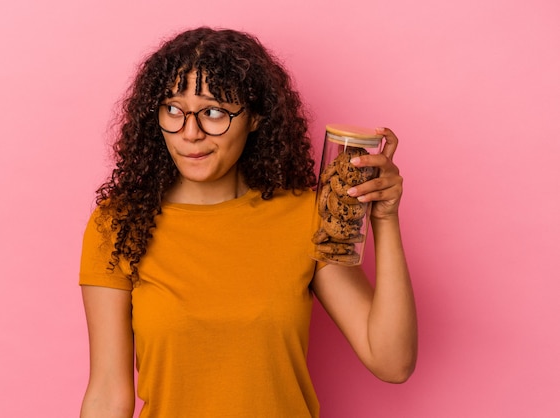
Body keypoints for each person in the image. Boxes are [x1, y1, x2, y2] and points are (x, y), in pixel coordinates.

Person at [79, 27, 417, 418]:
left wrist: (386, 219)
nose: (190, 133)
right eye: (173, 109)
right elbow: (107, 392)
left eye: (213, 112)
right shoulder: (118, 225)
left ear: (255, 118)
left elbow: (392, 361)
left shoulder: (305, 216)